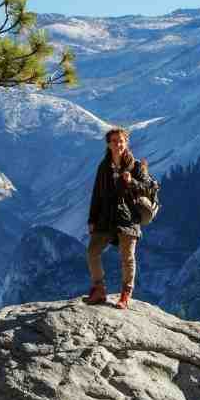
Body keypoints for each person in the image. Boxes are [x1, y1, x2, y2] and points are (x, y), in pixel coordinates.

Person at [84, 127, 157, 309]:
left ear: (126, 143)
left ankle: (125, 294)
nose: (118, 144)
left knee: (127, 258)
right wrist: (92, 220)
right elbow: (97, 194)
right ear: (108, 144)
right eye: (114, 141)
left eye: (121, 141)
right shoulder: (104, 167)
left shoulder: (136, 166)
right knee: (92, 252)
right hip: (105, 217)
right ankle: (99, 289)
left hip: (127, 218)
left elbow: (150, 188)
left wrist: (131, 181)